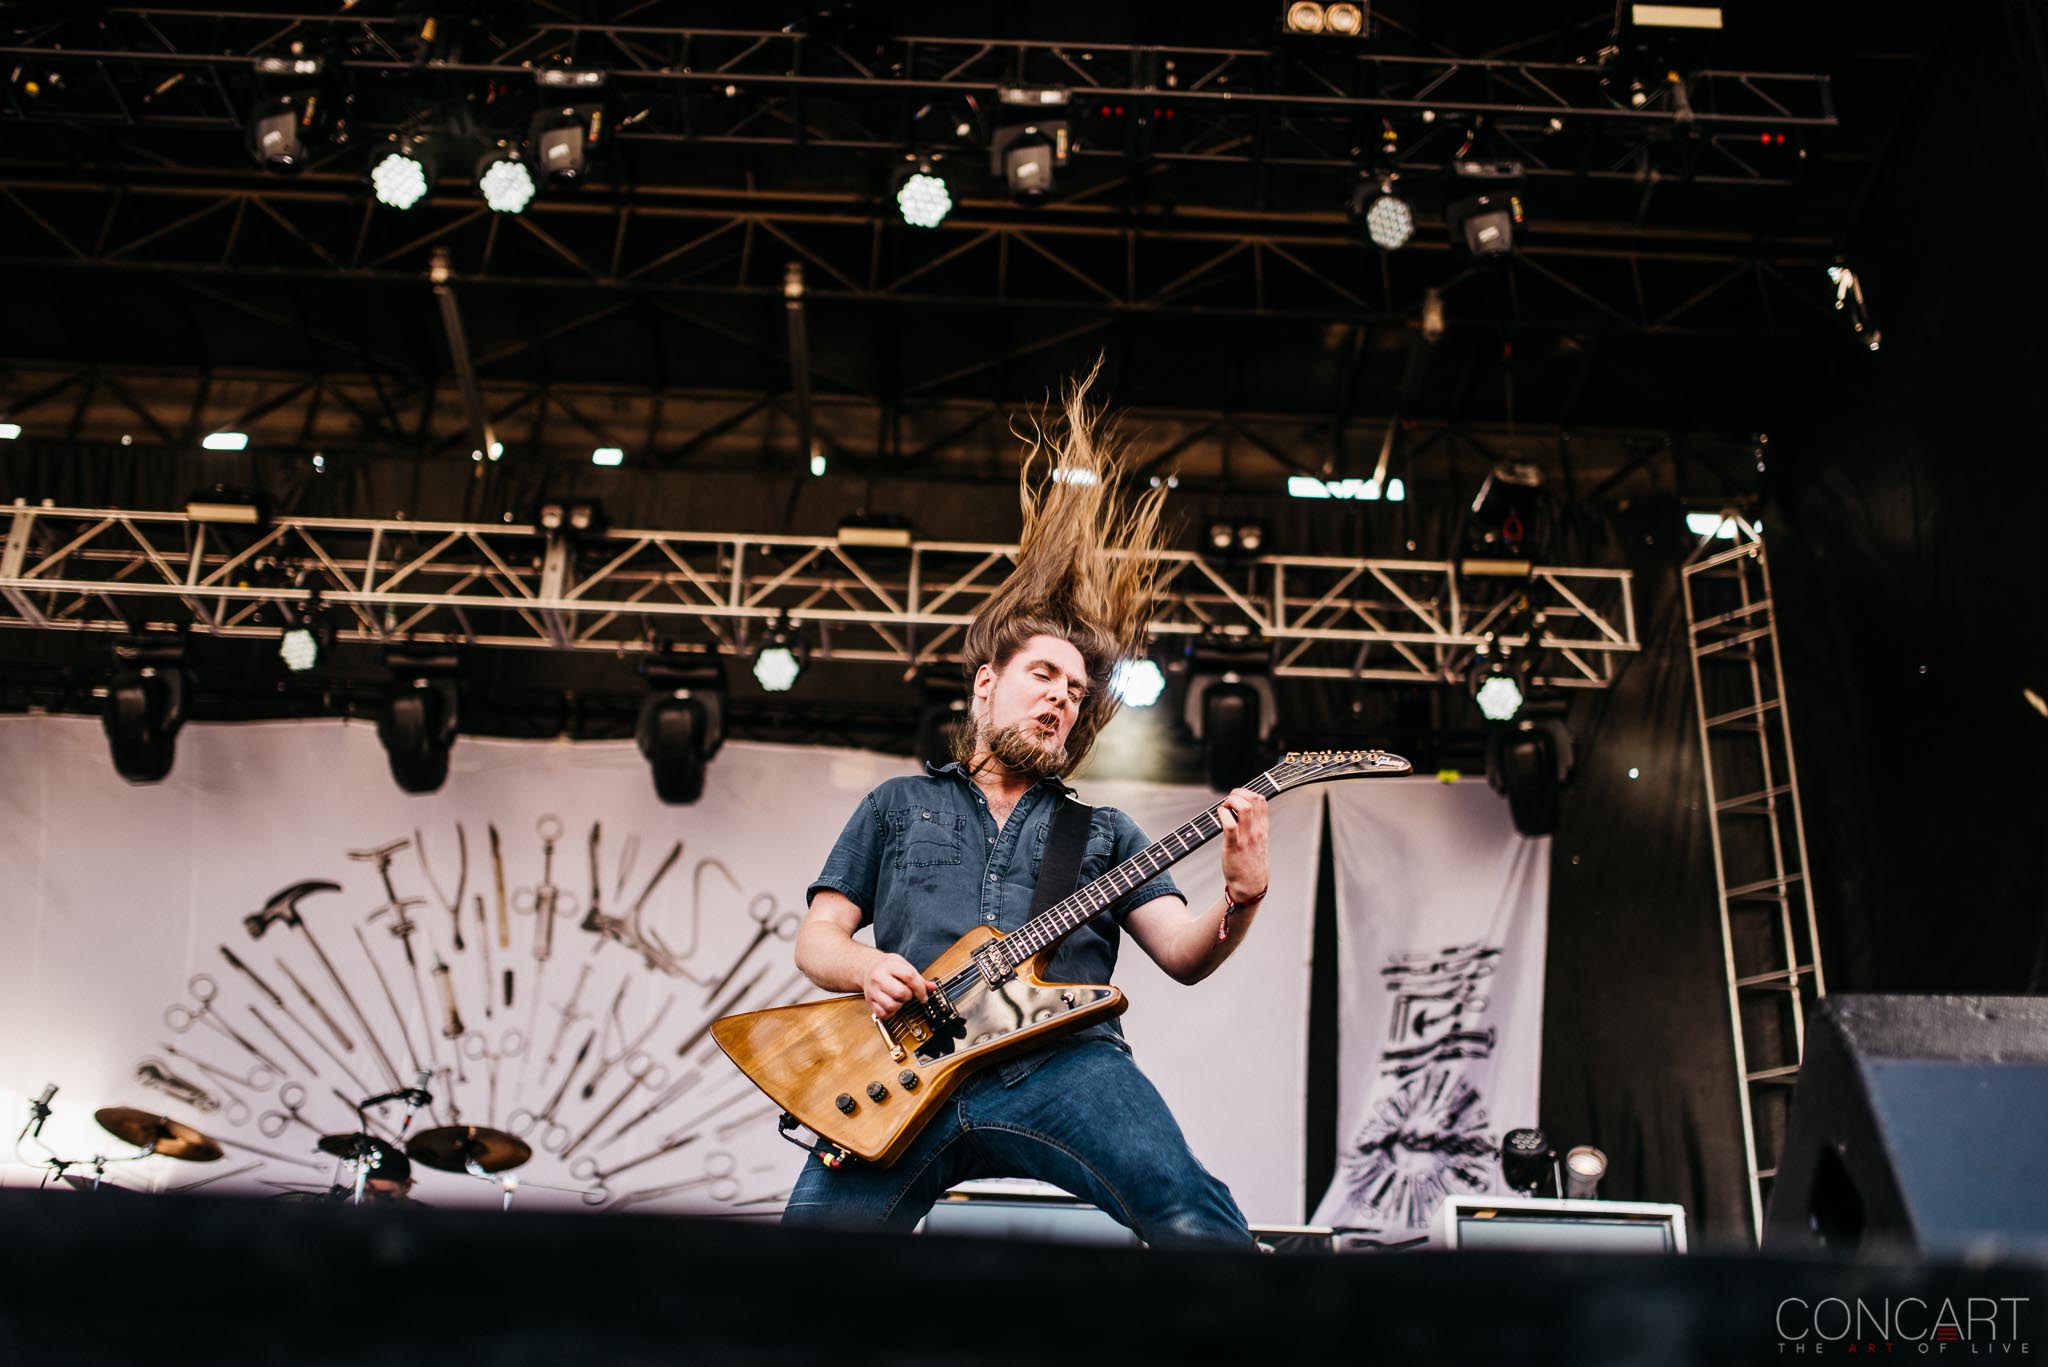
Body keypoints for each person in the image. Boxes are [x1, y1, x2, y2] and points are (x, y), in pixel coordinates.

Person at [783, 368, 1270, 1249]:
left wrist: (1240, 897)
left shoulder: (1104, 832)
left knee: (1197, 1216)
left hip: (1064, 1064)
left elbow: (1183, 957)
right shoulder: (897, 804)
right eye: (1044, 676)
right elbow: (816, 938)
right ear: (985, 685)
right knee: (802, 1265)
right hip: (906, 1070)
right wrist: (863, 967)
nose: (1061, 700)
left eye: (1077, 692)